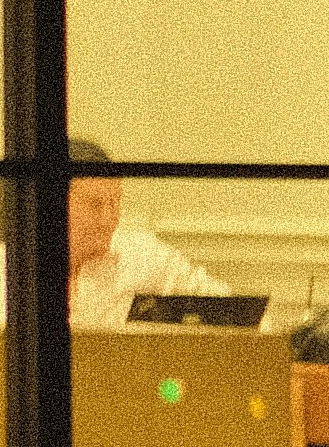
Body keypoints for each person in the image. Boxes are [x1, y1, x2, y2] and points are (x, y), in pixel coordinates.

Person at [62, 139, 220, 326]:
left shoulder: (143, 255)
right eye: (94, 204)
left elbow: (227, 309)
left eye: (114, 203)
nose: (108, 220)